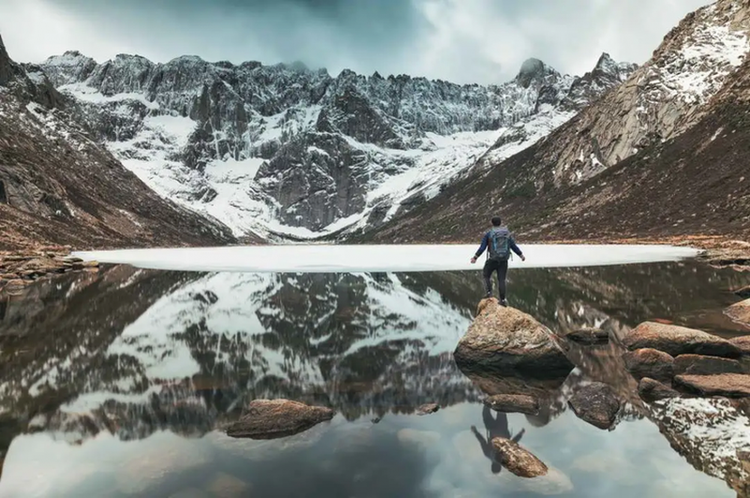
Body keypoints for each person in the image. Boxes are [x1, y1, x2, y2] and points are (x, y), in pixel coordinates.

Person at [470, 216, 525, 306]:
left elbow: (482, 247)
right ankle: (502, 300)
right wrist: (521, 255)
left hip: (492, 259)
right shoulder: (507, 234)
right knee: (501, 280)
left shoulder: (489, 234)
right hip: (503, 260)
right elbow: (513, 246)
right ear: (500, 223)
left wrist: (475, 257)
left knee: (486, 275)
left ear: (492, 223)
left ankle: (489, 293)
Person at [471, 406, 525, 474]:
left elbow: (512, 443)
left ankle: (495, 398)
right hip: (492, 428)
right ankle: (489, 398)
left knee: (500, 409)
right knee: (486, 411)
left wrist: (520, 434)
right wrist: (475, 432)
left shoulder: (505, 456)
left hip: (502, 428)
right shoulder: (488, 454)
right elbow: (482, 441)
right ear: (492, 465)